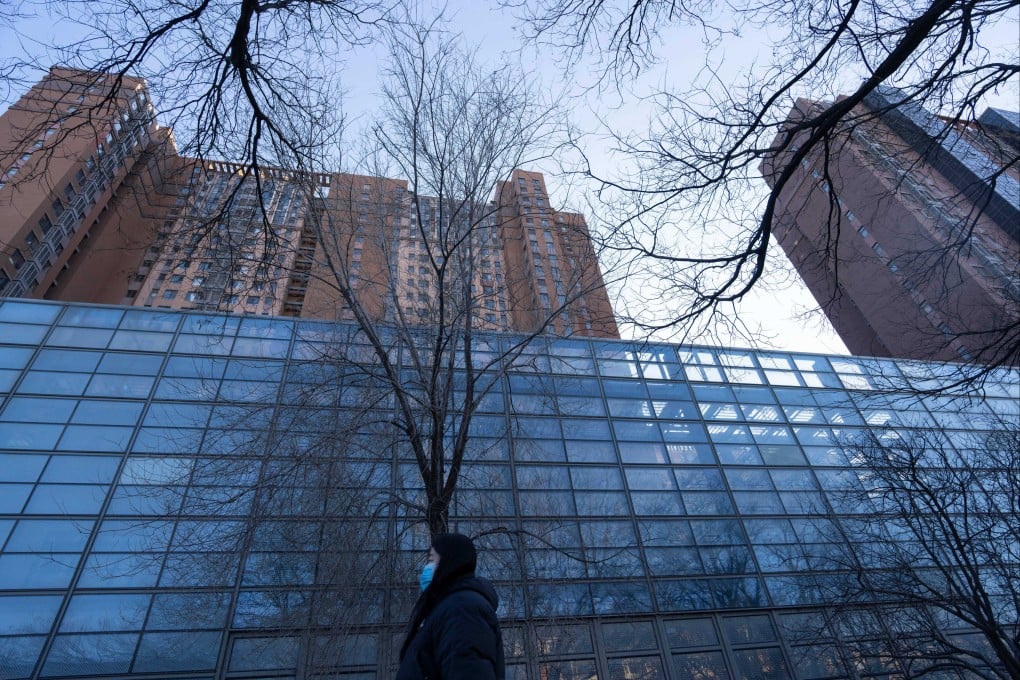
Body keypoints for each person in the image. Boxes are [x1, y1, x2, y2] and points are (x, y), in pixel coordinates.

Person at [396, 532, 505, 679]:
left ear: (449, 562)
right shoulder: (449, 608)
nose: (426, 567)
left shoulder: (462, 609)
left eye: (431, 560)